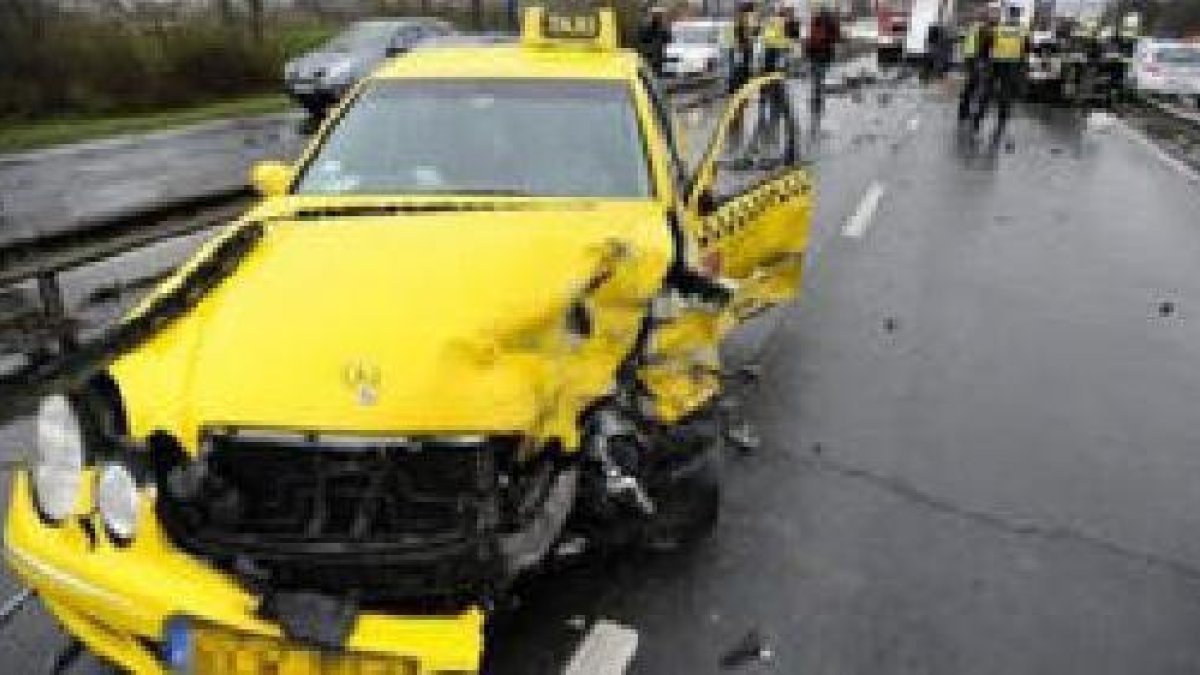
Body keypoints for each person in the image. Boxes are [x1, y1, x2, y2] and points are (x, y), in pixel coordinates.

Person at [972, 4, 1028, 138]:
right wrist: (1022, 67)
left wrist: (983, 60)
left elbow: (986, 46)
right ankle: (999, 122)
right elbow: (1025, 51)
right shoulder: (1022, 31)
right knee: (1004, 94)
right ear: (1017, 16)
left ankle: (979, 119)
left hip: (997, 64)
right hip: (1010, 66)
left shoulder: (998, 29)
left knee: (988, 92)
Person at [957, 7, 996, 122]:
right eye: (989, 15)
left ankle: (963, 111)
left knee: (970, 85)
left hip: (971, 58)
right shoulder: (983, 28)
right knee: (976, 86)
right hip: (977, 59)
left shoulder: (973, 27)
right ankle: (969, 112)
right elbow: (984, 46)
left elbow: (965, 42)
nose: (991, 17)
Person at [805, 3, 841, 116]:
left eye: (815, 9)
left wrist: (825, 39)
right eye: (813, 9)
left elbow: (837, 37)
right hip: (814, 53)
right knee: (815, 78)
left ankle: (818, 102)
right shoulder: (814, 20)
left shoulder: (829, 21)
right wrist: (806, 48)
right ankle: (816, 101)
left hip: (824, 53)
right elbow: (811, 37)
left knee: (818, 77)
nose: (813, 11)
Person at [638, 7, 671, 77]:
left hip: (660, 59)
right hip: (649, 57)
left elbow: (668, 41)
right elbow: (642, 41)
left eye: (660, 16)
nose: (658, 18)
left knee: (658, 76)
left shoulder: (664, 29)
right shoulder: (646, 28)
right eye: (656, 16)